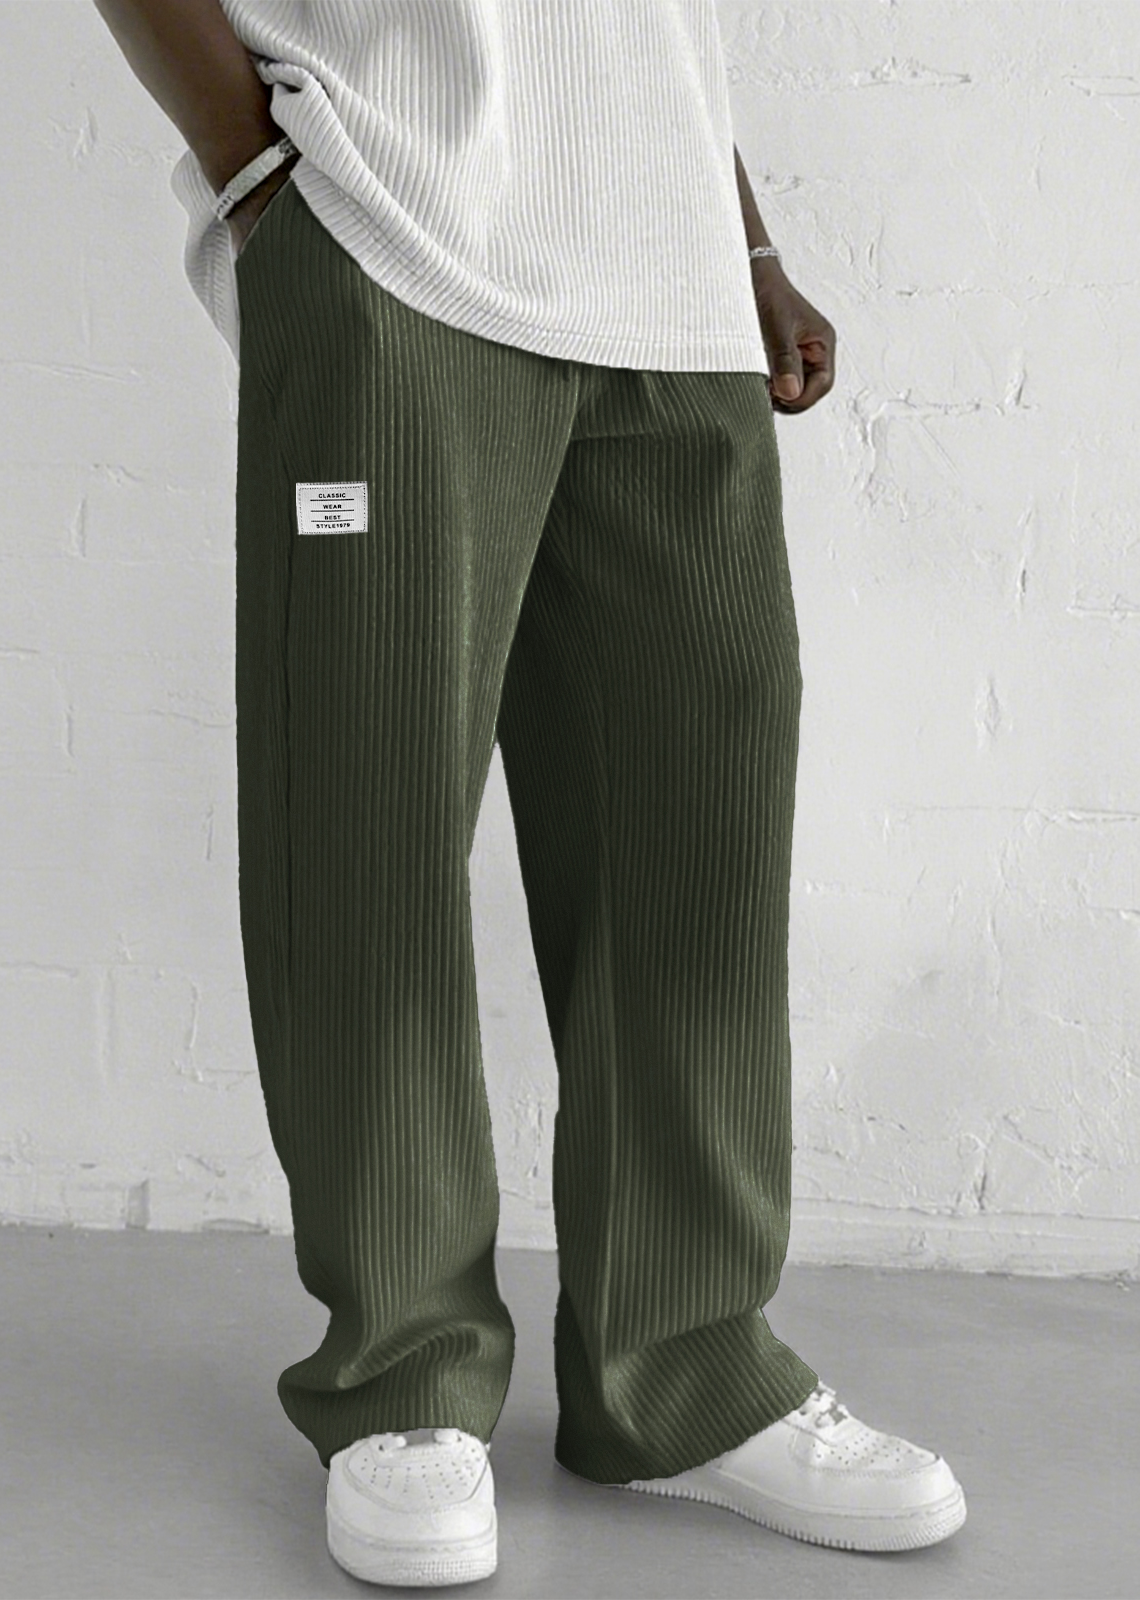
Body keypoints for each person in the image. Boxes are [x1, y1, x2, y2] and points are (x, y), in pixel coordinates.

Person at [90, 0, 966, 1586]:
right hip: (394, 240)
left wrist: (746, 246)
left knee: (695, 843)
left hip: (672, 292)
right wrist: (261, 180)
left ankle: (687, 1376)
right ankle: (402, 1377)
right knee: (368, 822)